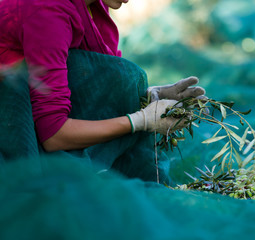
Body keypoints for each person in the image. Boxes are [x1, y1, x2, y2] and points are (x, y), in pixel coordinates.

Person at [0, 0, 206, 182]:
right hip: (12, 123)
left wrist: (148, 95)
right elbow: (53, 134)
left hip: (32, 103)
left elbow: (95, 86)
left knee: (123, 76)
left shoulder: (90, 8)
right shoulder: (48, 12)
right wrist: (140, 120)